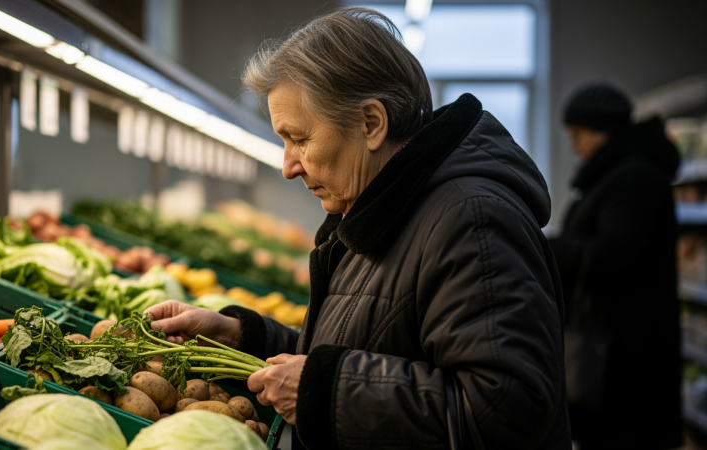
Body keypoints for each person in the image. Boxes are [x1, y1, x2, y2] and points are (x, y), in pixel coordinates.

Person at [148, 8, 570, 449]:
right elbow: (369, 347)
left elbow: (508, 410)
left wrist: (324, 391)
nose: (288, 166)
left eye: (299, 138)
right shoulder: (378, 208)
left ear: (371, 124)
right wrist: (240, 337)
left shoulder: (473, 221)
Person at [549, 84, 681, 449]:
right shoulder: (614, 175)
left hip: (627, 353)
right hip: (615, 346)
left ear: (600, 131)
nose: (574, 146)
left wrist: (547, 246)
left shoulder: (634, 177)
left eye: (577, 135)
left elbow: (613, 253)